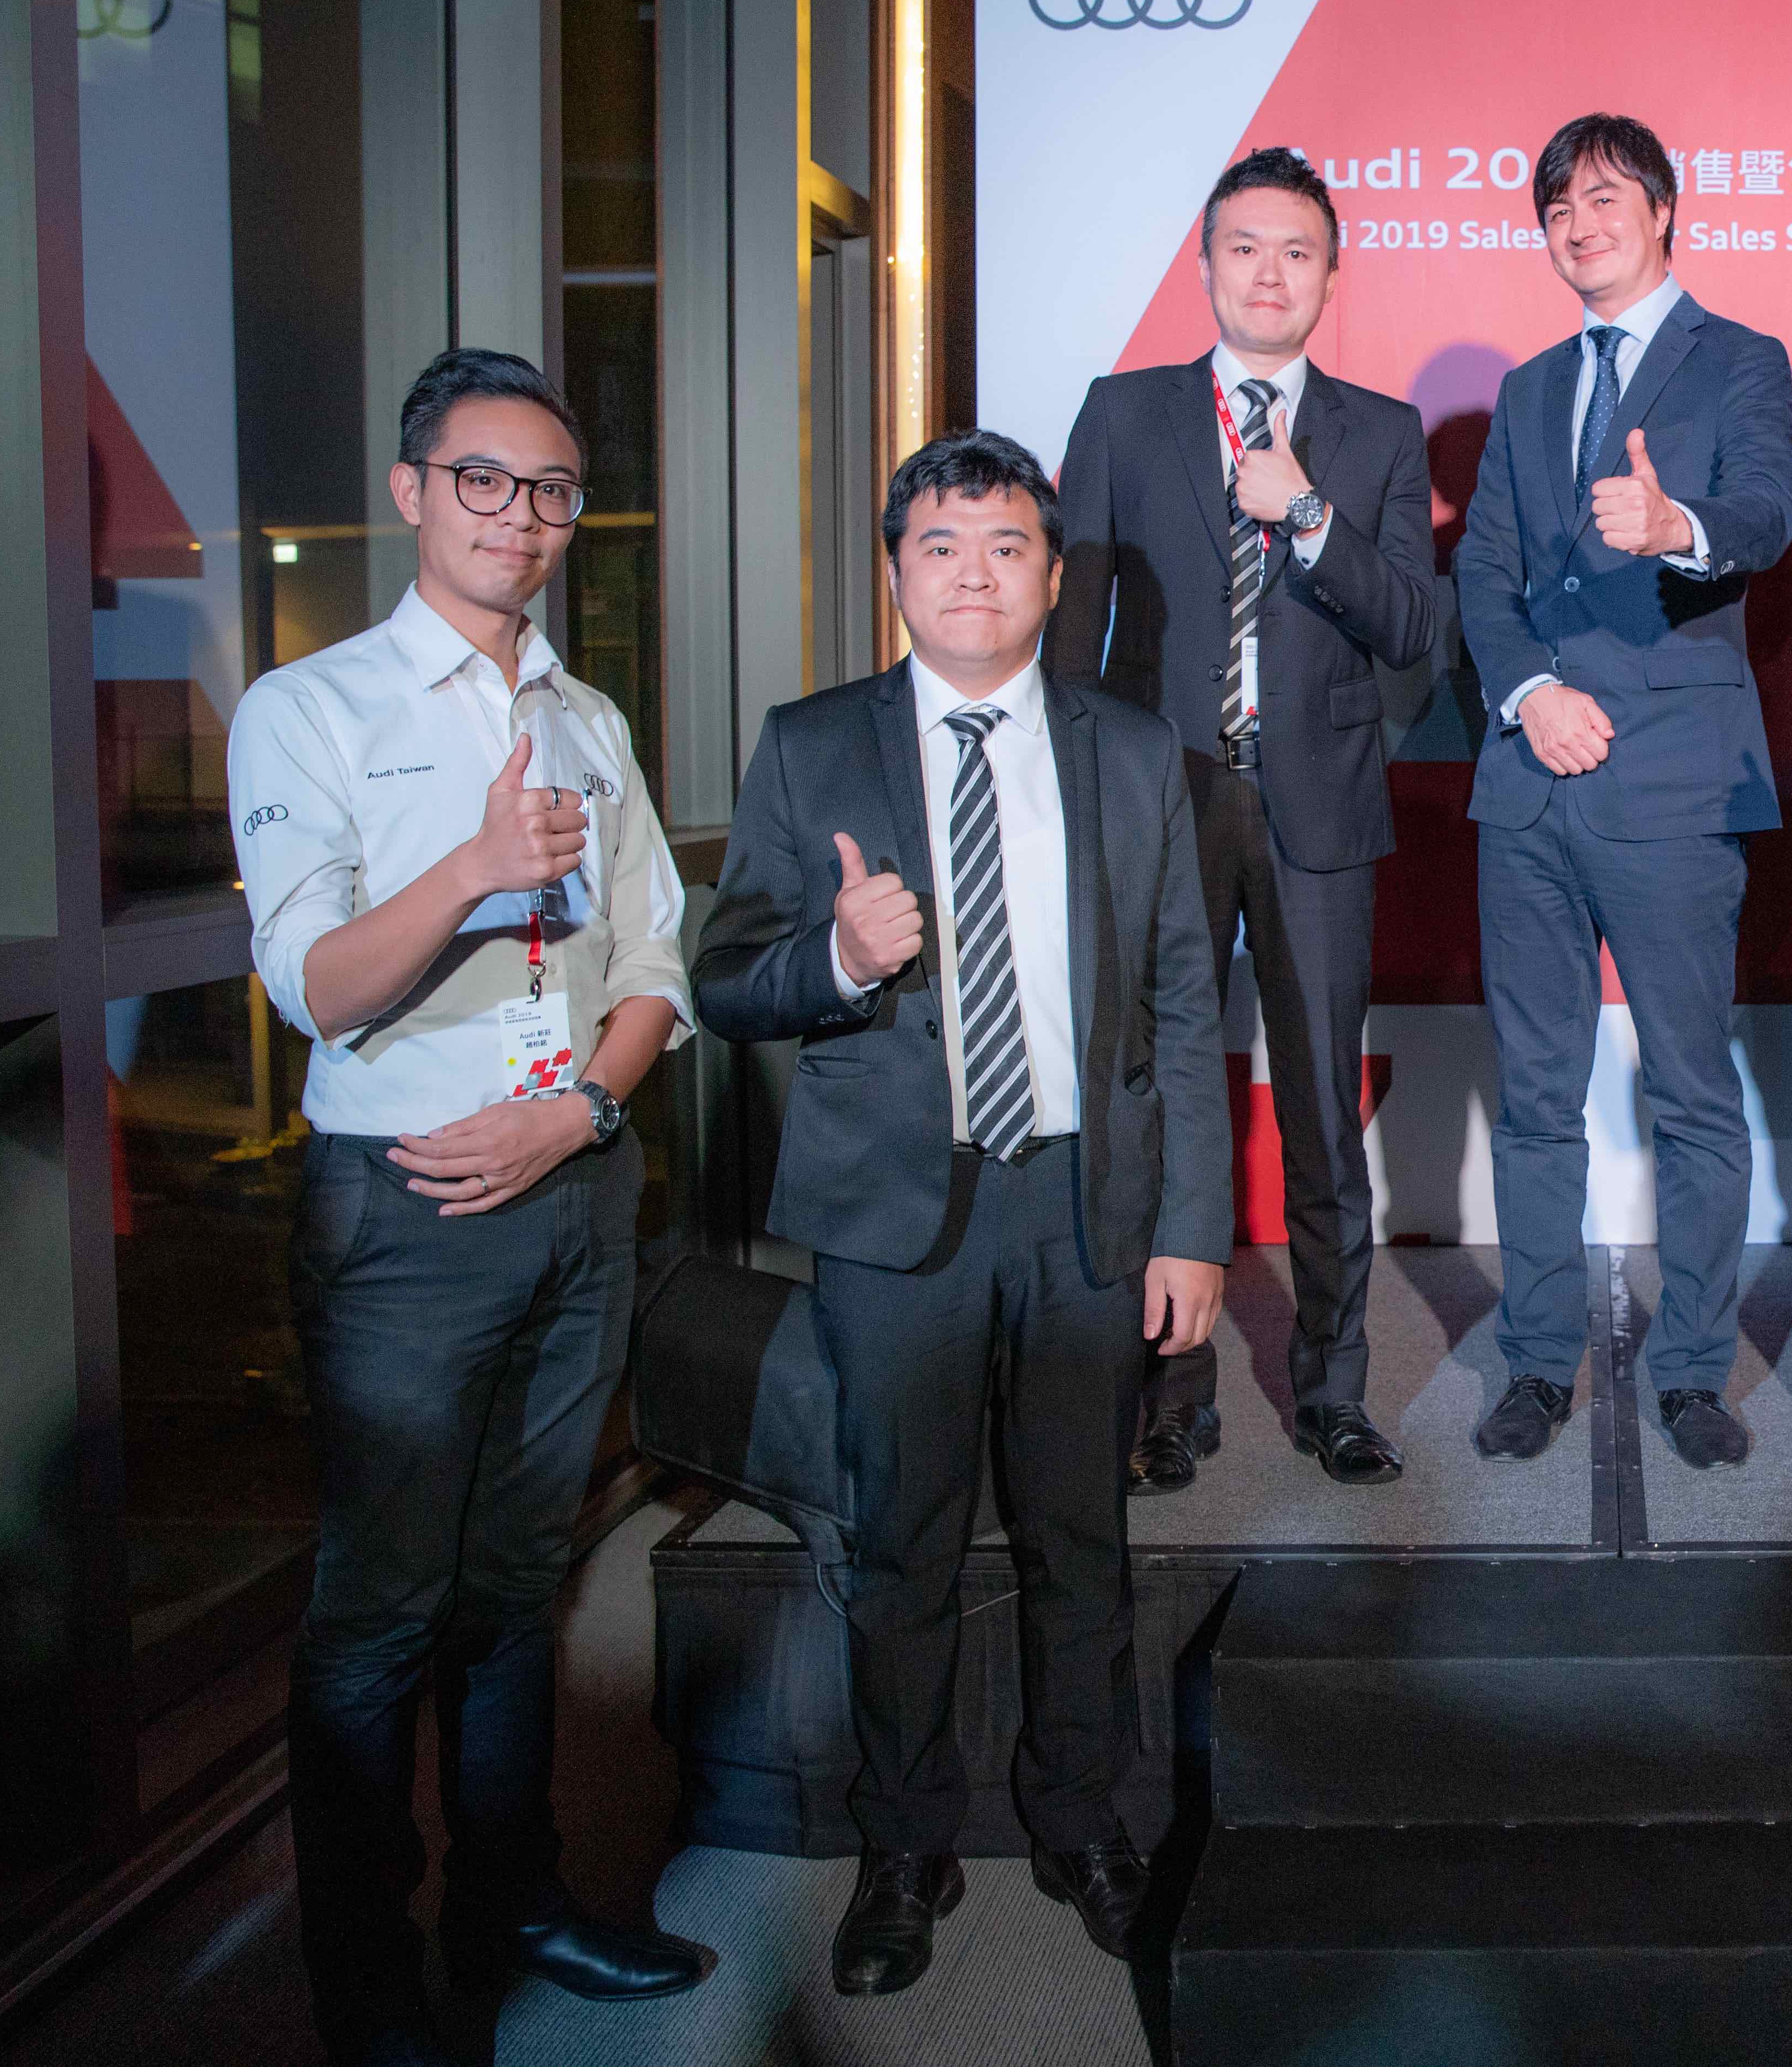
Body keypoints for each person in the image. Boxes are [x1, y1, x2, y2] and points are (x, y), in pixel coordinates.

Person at [691, 431, 1230, 1992]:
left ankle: (1078, 1816)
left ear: (1052, 577)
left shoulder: (1135, 751)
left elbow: (1184, 1000)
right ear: (896, 573)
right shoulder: (811, 745)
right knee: (902, 1545)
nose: (974, 574)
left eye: (1006, 547)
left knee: (1081, 1536)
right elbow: (728, 979)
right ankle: (904, 1843)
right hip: (893, 1217)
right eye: (940, 546)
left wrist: (1192, 1224)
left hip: (1084, 1205)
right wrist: (840, 958)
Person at [225, 348, 710, 2066]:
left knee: (518, 1580)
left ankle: (511, 1901)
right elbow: (316, 984)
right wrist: (478, 867)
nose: (522, 515)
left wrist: (579, 1109)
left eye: (553, 489)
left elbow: (654, 960)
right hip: (407, 1214)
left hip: (576, 1180)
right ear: (413, 491)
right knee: (378, 1613)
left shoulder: (588, 714)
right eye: (486, 480)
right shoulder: (312, 708)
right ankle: (365, 1982)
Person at [1054, 146, 1442, 1494]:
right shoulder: (1125, 411)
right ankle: (1170, 1395)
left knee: (1324, 1111)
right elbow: (1074, 624)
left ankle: (1335, 1393)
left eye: (1296, 251)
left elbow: (1415, 628)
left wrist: (1311, 516)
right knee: (1157, 1099)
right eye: (1244, 248)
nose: (1269, 273)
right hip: (1155, 800)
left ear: (1331, 274)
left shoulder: (1379, 433)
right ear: (1207, 263)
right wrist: (1069, 801)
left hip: (1316, 805)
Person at [1453, 113, 1792, 1471]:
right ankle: (1538, 1360)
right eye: (1557, 207)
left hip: (1672, 780)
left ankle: (1694, 1367)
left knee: (1693, 1094)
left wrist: (1677, 527)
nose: (1579, 224)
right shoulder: (1531, 386)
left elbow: (1764, 515)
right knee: (1535, 1097)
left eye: (1605, 198)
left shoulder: (1741, 358)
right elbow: (1484, 570)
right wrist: (1529, 693)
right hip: (1529, 781)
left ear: (1663, 210)